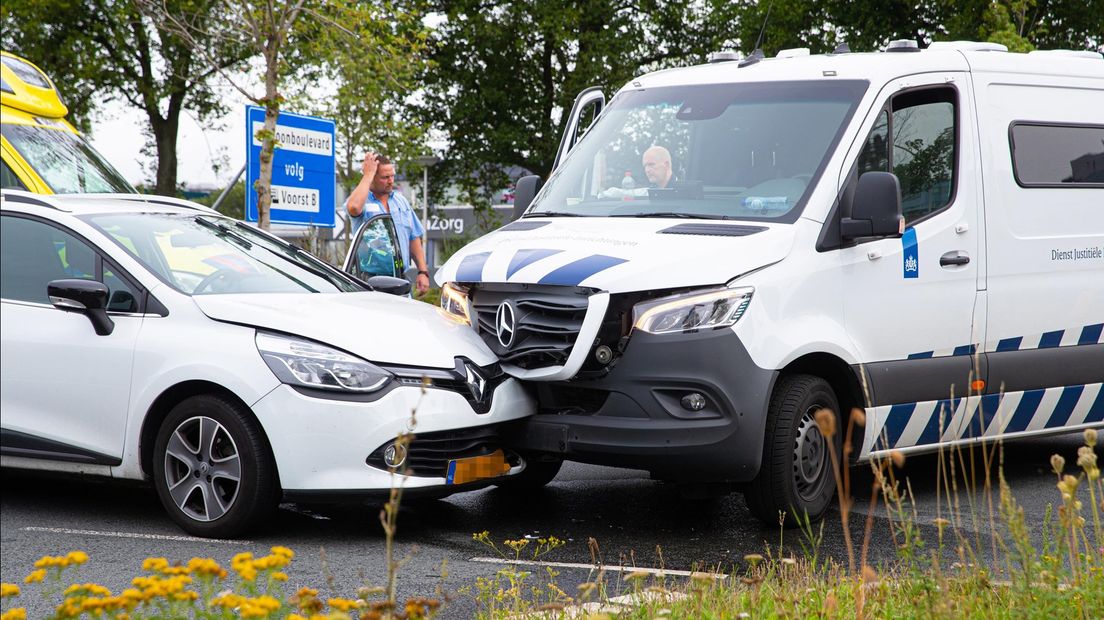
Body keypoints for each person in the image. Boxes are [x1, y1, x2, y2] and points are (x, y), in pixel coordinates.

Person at [346, 152, 430, 294]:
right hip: (371, 283)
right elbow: (353, 207)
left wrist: (423, 271)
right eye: (385, 177)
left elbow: (413, 236)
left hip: (400, 280)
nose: (391, 181)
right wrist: (367, 175)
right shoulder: (362, 201)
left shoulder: (401, 201)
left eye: (392, 176)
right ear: (372, 178)